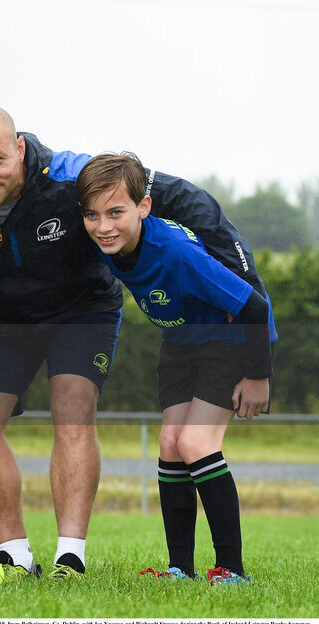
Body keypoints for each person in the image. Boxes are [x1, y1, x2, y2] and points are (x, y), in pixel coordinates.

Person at [0, 103, 266, 578]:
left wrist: (248, 290)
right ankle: (15, 556)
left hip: (81, 310)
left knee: (73, 404)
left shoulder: (70, 173)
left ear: (19, 148)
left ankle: (70, 556)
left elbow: (189, 201)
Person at [77, 152, 274, 585]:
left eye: (116, 212)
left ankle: (232, 569)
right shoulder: (102, 242)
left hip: (227, 341)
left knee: (196, 441)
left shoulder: (177, 252)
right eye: (92, 215)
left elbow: (255, 306)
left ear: (143, 208)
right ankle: (179, 568)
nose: (104, 225)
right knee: (169, 442)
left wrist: (259, 376)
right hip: (180, 345)